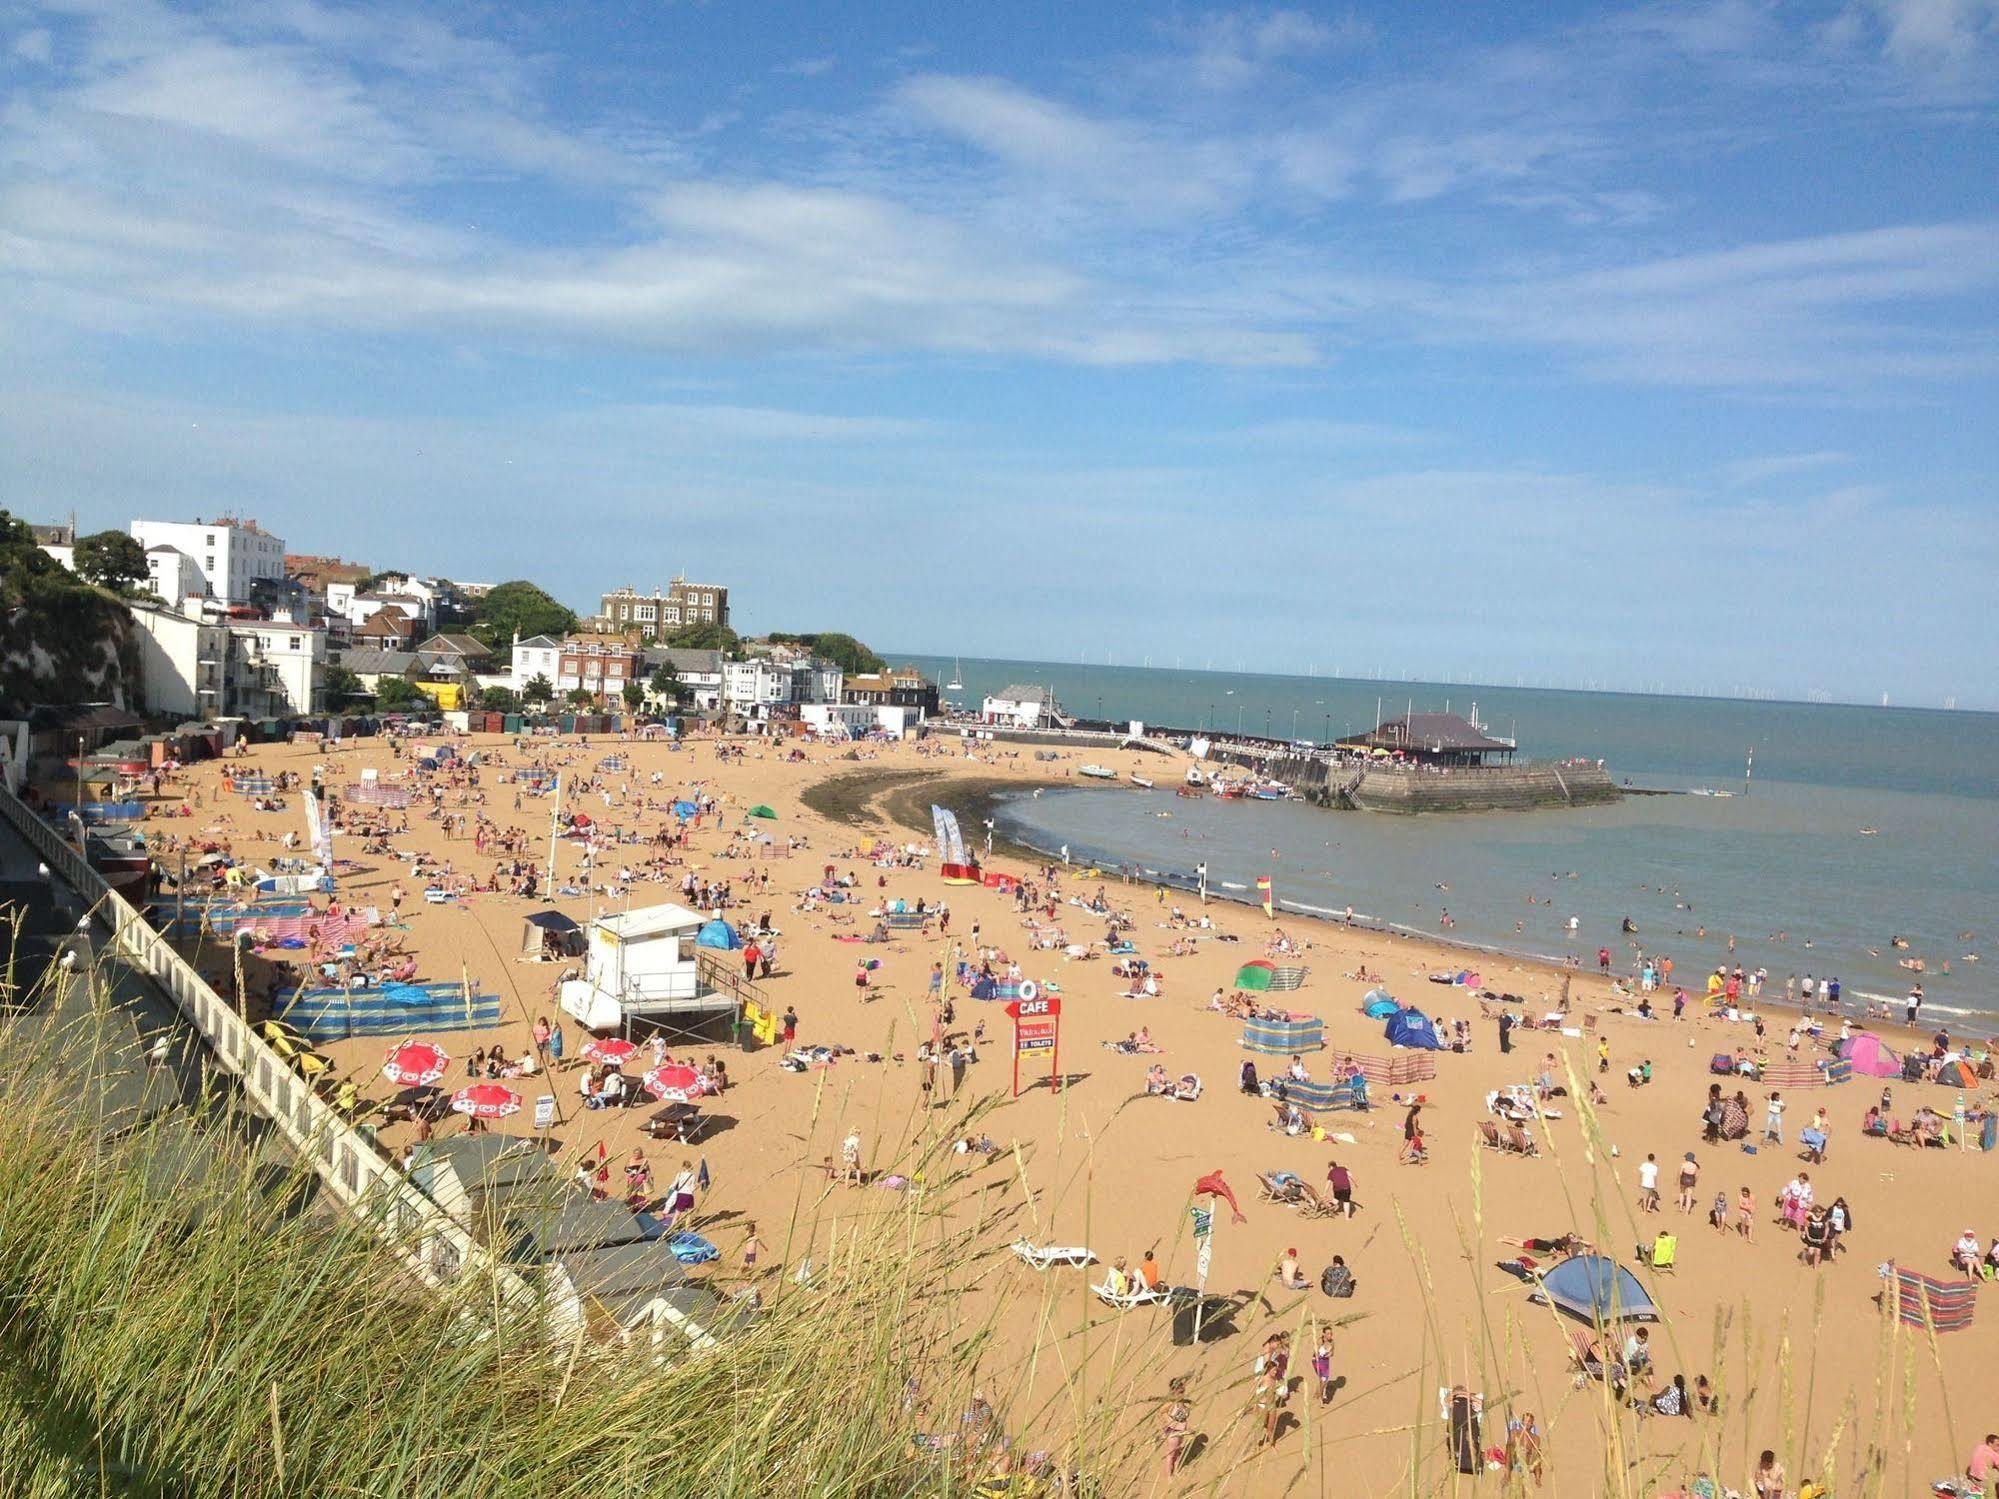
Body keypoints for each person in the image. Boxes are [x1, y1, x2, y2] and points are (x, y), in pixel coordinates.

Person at [1507, 1410, 1545, 1487]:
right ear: (1522, 1422)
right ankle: (1507, 1475)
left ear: (1532, 1424)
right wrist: (1518, 1448)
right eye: (1526, 1421)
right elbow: (1509, 1444)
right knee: (1509, 1449)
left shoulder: (1535, 1438)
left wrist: (1529, 1451)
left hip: (1527, 1460)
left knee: (1538, 1453)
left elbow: (1535, 1451)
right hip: (1515, 1458)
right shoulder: (1514, 1432)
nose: (1527, 1423)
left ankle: (1537, 1478)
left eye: (1530, 1422)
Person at [1311, 1332, 1334, 1404]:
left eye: (1331, 1334)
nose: (1330, 1335)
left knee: (1323, 1379)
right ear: (1324, 1334)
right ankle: (1321, 1396)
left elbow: (1332, 1353)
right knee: (1324, 1379)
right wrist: (1320, 1354)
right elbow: (1315, 1352)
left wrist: (1329, 1354)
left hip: (1325, 1362)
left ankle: (1316, 1395)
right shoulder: (1320, 1341)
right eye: (1328, 1334)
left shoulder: (1332, 1342)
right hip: (1317, 1361)